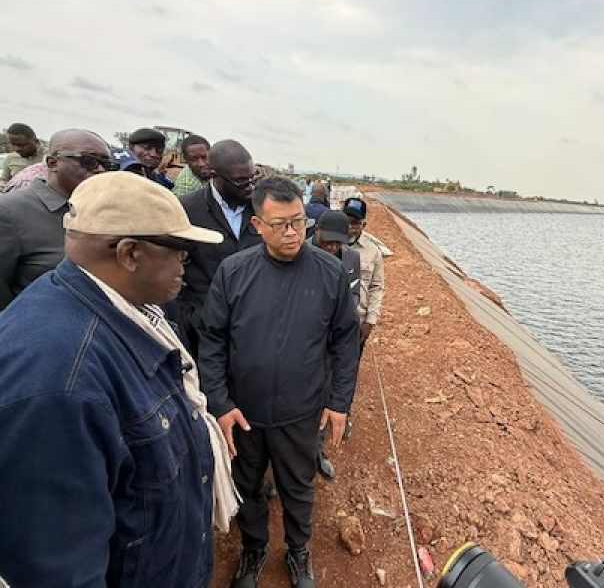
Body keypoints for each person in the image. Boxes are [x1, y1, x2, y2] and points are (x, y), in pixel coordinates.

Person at [0, 171, 233, 587]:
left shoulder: (121, 312)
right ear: (129, 254)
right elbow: (59, 570)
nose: (187, 261)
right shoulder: (62, 382)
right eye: (179, 248)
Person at [200, 177, 359, 588]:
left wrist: (339, 402)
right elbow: (213, 340)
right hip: (244, 412)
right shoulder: (234, 272)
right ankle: (254, 549)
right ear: (257, 225)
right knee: (248, 485)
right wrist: (219, 402)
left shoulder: (330, 272)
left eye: (298, 222)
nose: (292, 233)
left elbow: (344, 341)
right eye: (280, 224)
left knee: (298, 486)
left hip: (301, 411)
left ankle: (298, 550)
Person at [0, 129, 116, 309]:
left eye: (107, 164)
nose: (100, 170)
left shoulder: (101, 211)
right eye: (89, 161)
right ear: (53, 163)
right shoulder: (9, 212)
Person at [178, 139, 260, 356]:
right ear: (215, 175)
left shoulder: (262, 209)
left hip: (254, 329)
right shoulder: (186, 210)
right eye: (240, 181)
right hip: (203, 333)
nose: (250, 187)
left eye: (253, 178)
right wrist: (190, 317)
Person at [307, 210, 361, 480]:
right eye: (327, 241)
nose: (331, 248)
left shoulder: (351, 259)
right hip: (302, 344)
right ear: (315, 231)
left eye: (337, 244)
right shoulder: (300, 253)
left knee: (325, 400)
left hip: (331, 345)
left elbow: (352, 298)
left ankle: (317, 451)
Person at [342, 197, 385, 352]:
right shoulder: (330, 244)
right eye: (347, 221)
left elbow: (376, 287)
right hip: (328, 322)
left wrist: (370, 322)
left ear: (363, 225)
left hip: (357, 322)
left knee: (349, 370)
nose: (350, 227)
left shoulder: (373, 252)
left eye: (355, 223)